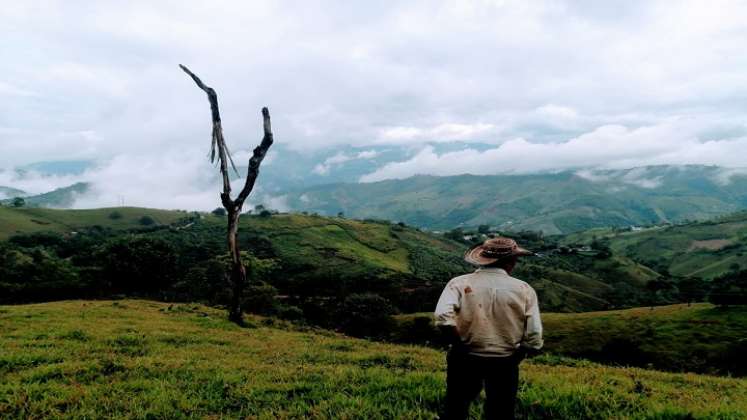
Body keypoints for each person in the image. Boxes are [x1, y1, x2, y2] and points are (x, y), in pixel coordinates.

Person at [434, 237, 543, 420]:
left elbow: (443, 317)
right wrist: (518, 355)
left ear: (483, 258)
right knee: (500, 410)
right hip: (505, 360)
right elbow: (534, 334)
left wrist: (459, 346)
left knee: (456, 406)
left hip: (465, 358)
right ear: (511, 261)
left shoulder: (458, 283)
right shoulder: (524, 289)